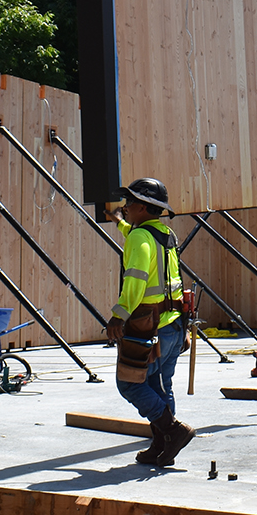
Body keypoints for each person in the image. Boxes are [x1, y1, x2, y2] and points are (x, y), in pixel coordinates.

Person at [105, 177, 196, 466]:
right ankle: (162, 447)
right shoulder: (166, 235)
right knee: (160, 386)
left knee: (130, 384)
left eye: (129, 203)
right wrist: (120, 222)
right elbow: (141, 240)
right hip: (173, 325)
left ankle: (172, 431)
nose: (125, 207)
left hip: (149, 327)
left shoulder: (139, 238)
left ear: (142, 207)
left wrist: (118, 316)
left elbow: (136, 279)